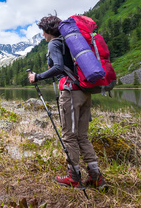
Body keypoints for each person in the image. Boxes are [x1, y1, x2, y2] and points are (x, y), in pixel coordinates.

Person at [28, 14, 107, 190]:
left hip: (71, 93)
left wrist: (37, 77)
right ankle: (96, 177)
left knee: (69, 136)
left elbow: (58, 67)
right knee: (82, 136)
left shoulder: (54, 43)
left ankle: (74, 177)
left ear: (48, 31)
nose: (43, 35)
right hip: (84, 91)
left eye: (43, 32)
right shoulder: (70, 43)